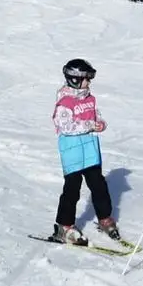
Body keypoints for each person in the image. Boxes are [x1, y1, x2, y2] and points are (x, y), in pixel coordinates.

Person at [49, 58, 120, 244]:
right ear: (75, 79)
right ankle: (64, 226)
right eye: (87, 79)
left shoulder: (90, 98)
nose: (89, 83)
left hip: (90, 151)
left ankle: (105, 218)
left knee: (99, 186)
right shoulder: (65, 102)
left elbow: (98, 116)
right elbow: (65, 126)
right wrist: (89, 125)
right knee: (72, 190)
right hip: (72, 153)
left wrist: (100, 124)